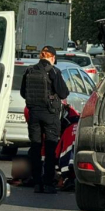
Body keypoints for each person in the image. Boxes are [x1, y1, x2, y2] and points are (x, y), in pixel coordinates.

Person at [20, 45, 69, 193]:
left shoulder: (29, 70)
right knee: (50, 148)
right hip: (50, 114)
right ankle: (48, 183)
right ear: (52, 57)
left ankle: (37, 183)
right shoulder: (54, 71)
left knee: (35, 147)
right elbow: (63, 93)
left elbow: (23, 93)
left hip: (34, 113)